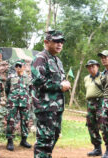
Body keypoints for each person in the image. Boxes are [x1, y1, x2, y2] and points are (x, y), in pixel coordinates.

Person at [31, 30, 71, 158]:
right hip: (45, 107)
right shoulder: (40, 58)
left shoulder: (57, 60)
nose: (59, 44)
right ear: (46, 42)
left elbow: (58, 80)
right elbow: (38, 82)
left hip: (56, 108)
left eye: (61, 42)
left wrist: (65, 84)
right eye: (56, 41)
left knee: (53, 136)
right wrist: (60, 86)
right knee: (44, 141)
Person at [84, 60, 108, 158]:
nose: (91, 68)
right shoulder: (86, 78)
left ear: (98, 66)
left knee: (103, 125)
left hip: (101, 102)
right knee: (91, 126)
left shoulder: (103, 76)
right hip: (90, 103)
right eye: (89, 67)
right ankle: (97, 148)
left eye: (93, 66)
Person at [5, 60, 32, 151]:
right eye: (17, 66)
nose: (18, 68)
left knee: (25, 121)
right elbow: (7, 89)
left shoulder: (28, 78)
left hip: (25, 102)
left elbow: (31, 89)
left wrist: (28, 99)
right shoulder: (10, 77)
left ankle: (24, 140)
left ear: (24, 67)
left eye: (20, 66)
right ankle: (10, 141)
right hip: (13, 102)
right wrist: (11, 98)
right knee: (10, 121)